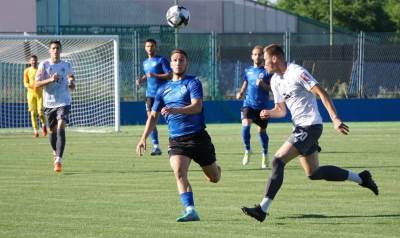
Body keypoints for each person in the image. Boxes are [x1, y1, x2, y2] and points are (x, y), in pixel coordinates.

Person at [241, 44, 379, 222]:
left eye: (266, 61)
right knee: (314, 173)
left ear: (275, 58)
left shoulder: (297, 72)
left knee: (277, 160)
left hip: (310, 126)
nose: (263, 64)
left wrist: (335, 118)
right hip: (299, 127)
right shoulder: (275, 80)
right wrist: (269, 112)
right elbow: (281, 110)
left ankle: (262, 209)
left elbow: (321, 92)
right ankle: (361, 178)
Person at [136, 49, 221, 222]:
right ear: (171, 63)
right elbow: (153, 116)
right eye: (174, 60)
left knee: (214, 178)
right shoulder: (162, 89)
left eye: (181, 60)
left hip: (198, 137)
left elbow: (197, 106)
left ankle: (216, 170)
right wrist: (143, 138)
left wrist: (176, 110)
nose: (178, 62)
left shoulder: (193, 83)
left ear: (186, 63)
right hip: (177, 140)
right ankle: (190, 210)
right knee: (179, 172)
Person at [35, 40, 75, 173]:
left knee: (61, 125)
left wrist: (71, 84)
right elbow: (36, 84)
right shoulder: (44, 65)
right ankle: (55, 151)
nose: (55, 50)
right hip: (49, 103)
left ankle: (58, 160)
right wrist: (50, 80)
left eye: (58, 48)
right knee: (52, 132)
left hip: (63, 101)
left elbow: (72, 81)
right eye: (53, 48)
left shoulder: (67, 65)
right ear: (49, 50)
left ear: (60, 50)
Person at [236, 45, 271, 168]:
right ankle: (247, 149)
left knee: (262, 132)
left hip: (262, 107)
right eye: (255, 54)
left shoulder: (267, 72)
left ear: (263, 56)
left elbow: (272, 89)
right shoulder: (248, 70)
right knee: (245, 125)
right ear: (252, 56)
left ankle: (265, 154)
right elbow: (246, 82)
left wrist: (263, 85)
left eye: (260, 54)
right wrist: (241, 92)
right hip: (248, 104)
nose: (257, 56)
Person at [136, 38, 172, 156]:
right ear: (145, 48)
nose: (149, 48)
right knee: (151, 120)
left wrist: (155, 75)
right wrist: (142, 79)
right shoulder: (145, 62)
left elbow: (170, 75)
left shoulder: (161, 60)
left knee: (170, 119)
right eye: (147, 46)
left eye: (152, 46)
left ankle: (172, 144)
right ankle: (156, 147)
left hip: (163, 94)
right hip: (150, 95)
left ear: (156, 47)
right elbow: (148, 74)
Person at [23, 55, 47, 138]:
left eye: (35, 60)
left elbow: (44, 81)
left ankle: (44, 125)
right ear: (29, 62)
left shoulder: (40, 70)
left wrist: (41, 86)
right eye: (32, 60)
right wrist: (31, 86)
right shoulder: (27, 71)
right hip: (30, 95)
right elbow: (25, 83)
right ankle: (36, 131)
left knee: (40, 112)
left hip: (40, 94)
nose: (33, 62)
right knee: (33, 113)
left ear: (37, 61)